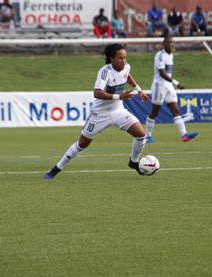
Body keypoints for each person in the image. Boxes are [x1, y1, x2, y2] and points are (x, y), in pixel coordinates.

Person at [44, 44, 150, 180]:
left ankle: (133, 162)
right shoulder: (105, 72)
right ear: (111, 58)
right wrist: (119, 96)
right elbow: (97, 93)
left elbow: (127, 75)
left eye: (125, 58)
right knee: (82, 144)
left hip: (118, 111)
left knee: (141, 135)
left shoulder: (126, 66)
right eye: (120, 58)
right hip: (100, 114)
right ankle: (56, 169)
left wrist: (139, 89)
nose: (123, 61)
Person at [146, 36, 199, 144]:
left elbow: (168, 73)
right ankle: (147, 136)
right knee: (154, 112)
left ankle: (184, 135)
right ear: (164, 44)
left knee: (176, 110)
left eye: (172, 42)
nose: (170, 44)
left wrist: (172, 84)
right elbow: (162, 73)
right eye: (168, 42)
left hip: (168, 86)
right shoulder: (160, 55)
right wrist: (177, 83)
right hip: (159, 86)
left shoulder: (170, 55)